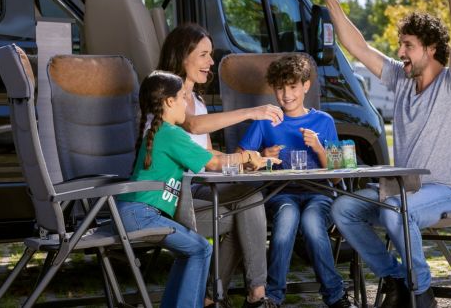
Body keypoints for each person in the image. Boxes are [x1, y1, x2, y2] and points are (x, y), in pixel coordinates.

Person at [316, 0, 451, 308]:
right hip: (403, 193)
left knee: (394, 210)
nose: (399, 51)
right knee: (344, 209)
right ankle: (396, 277)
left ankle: (421, 292)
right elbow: (357, 46)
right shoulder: (402, 80)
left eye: (408, 46)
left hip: (449, 191)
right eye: (400, 44)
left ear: (431, 49)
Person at [117, 71, 275, 308]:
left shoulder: (163, 132)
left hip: (140, 214)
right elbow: (213, 164)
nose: (186, 104)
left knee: (229, 223)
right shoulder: (170, 133)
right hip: (141, 216)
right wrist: (248, 157)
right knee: (201, 249)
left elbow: (210, 157)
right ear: (169, 101)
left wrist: (245, 159)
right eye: (182, 97)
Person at [157, 23, 281, 308]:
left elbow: (211, 159)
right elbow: (193, 124)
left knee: (249, 198)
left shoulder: (197, 99)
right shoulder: (166, 95)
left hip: (199, 188)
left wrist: (250, 162)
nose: (211, 62)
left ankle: (252, 296)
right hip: (173, 194)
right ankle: (215, 297)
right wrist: (253, 112)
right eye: (204, 55)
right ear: (182, 55)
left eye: (210, 55)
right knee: (243, 214)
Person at [237, 54, 357, 308]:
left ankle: (335, 296)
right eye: (280, 88)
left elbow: (337, 176)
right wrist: (261, 157)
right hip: (280, 195)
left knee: (313, 224)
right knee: (287, 219)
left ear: (306, 86)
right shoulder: (266, 122)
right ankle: (273, 297)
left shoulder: (324, 121)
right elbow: (239, 159)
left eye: (292, 86)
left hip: (320, 196)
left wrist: (318, 148)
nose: (286, 94)